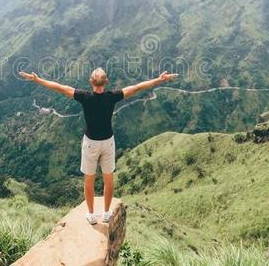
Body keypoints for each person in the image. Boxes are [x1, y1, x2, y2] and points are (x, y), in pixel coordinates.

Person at [20, 67, 178, 224]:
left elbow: (60, 88)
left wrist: (37, 79)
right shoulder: (112, 97)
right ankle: (107, 212)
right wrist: (159, 79)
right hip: (108, 142)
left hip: (90, 144)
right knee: (108, 179)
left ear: (91, 82)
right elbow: (137, 88)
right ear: (107, 82)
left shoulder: (84, 97)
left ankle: (91, 214)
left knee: (89, 180)